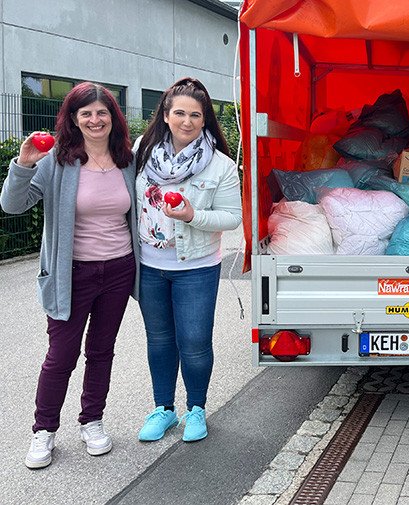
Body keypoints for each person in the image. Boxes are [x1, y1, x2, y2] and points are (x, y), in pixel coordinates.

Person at [1, 82, 138, 469]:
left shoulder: (127, 160)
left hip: (119, 269)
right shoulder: (56, 160)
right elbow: (13, 205)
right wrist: (24, 164)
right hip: (71, 274)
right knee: (61, 356)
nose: (95, 120)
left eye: (102, 112)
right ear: (73, 120)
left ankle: (92, 421)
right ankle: (44, 429)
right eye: (86, 113)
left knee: (101, 351)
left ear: (113, 117)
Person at [133, 77, 241, 443]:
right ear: (165, 115)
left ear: (205, 119)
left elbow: (232, 217)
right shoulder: (142, 152)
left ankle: (196, 409)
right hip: (150, 266)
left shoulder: (220, 165)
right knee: (159, 340)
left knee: (194, 342)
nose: (187, 121)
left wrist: (194, 215)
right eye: (179, 113)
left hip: (196, 267)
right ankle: (164, 409)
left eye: (196, 115)